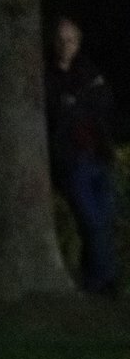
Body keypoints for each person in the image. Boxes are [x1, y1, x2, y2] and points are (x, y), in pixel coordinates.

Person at [46, 16, 119, 295]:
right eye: (61, 40)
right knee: (92, 220)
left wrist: (77, 105)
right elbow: (59, 114)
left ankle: (95, 280)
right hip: (73, 161)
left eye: (71, 40)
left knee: (103, 220)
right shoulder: (49, 77)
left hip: (99, 156)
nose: (66, 46)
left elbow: (104, 103)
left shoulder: (88, 72)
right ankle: (105, 281)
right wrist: (78, 106)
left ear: (78, 43)